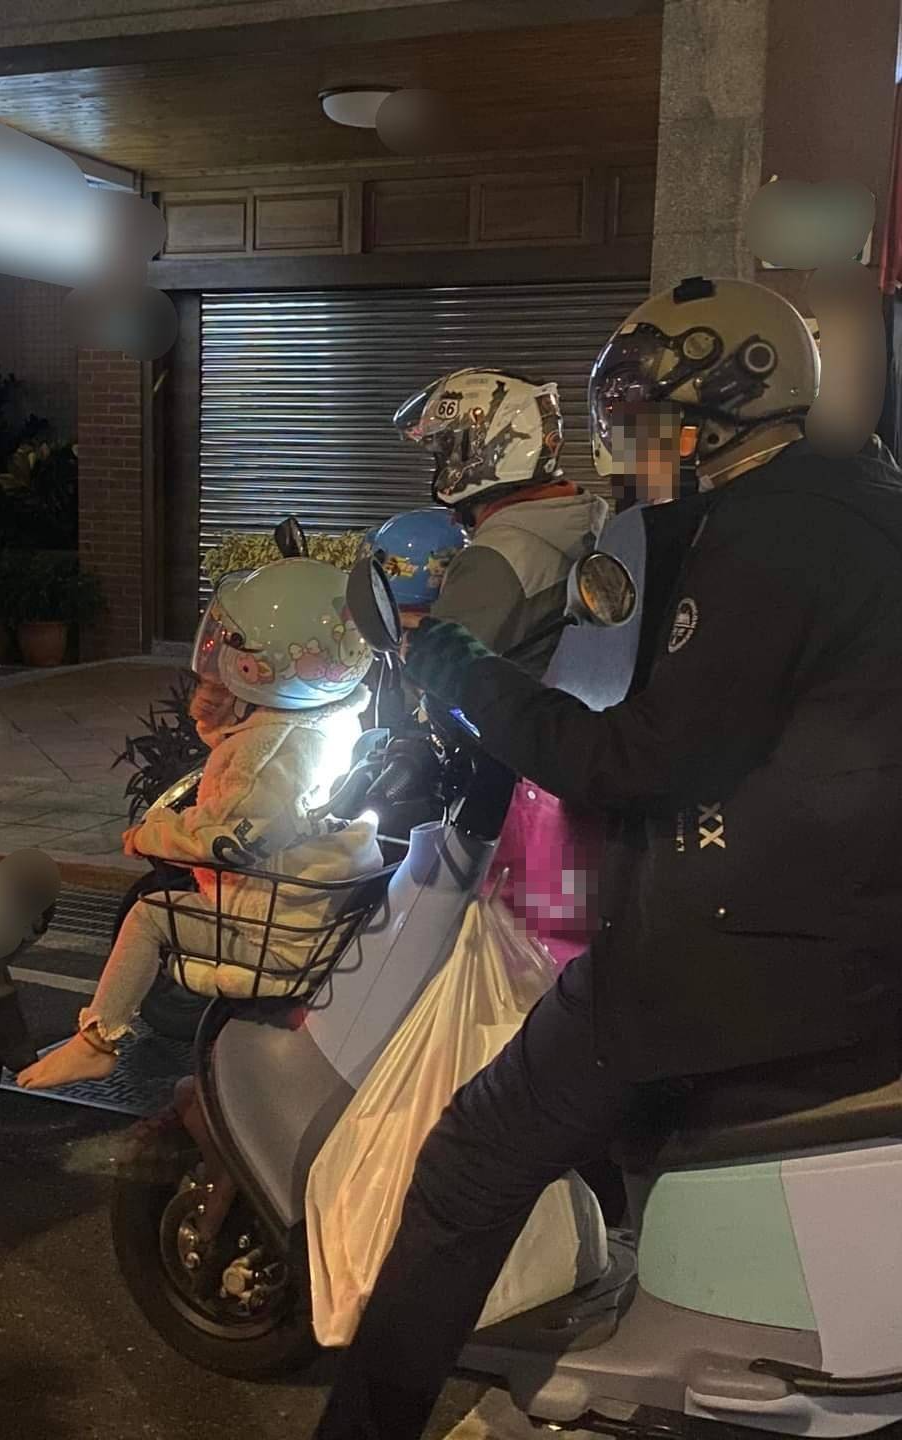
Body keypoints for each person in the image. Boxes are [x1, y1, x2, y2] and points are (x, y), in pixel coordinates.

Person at [312, 275, 902, 1440]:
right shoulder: (863, 495)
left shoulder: (764, 537)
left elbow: (637, 760)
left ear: (718, 414)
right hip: (857, 928)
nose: (622, 449)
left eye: (640, 421)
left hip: (746, 951)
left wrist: (462, 676)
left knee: (471, 1157)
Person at [18, 557, 382, 1091]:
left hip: (275, 931)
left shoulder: (265, 755)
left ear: (267, 666)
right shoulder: (324, 718)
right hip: (306, 902)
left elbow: (225, 838)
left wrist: (151, 834)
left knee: (149, 915)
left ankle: (96, 1041)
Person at [393, 369, 607, 663]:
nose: (440, 466)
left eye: (443, 454)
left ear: (478, 450)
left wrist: (411, 649)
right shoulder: (581, 516)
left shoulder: (492, 559)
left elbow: (439, 679)